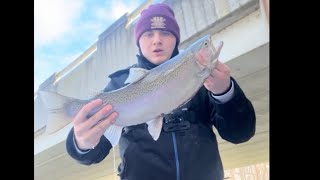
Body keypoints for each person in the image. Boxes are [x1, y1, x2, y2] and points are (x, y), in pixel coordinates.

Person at [66, 3, 256, 180]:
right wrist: (81, 143)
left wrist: (225, 93)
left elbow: (240, 133)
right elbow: (94, 154)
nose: (157, 40)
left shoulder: (203, 80)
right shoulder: (119, 84)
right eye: (148, 34)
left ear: (176, 38)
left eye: (165, 32)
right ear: (138, 40)